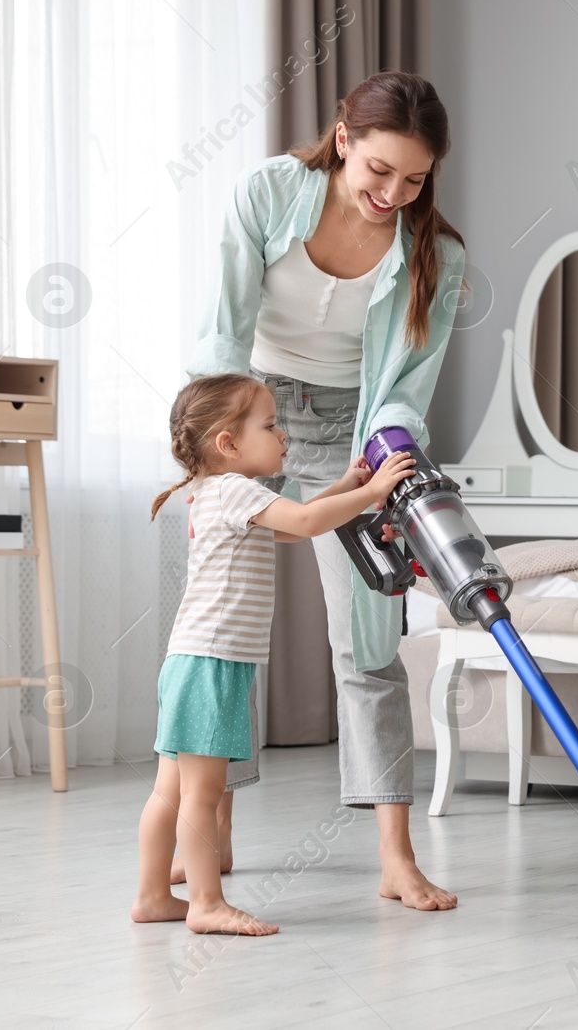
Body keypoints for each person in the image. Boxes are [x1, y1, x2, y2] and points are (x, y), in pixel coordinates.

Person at [182, 71, 465, 910]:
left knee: (370, 639)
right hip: (249, 410)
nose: (392, 194)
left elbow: (408, 386)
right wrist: (211, 460)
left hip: (359, 429)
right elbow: (221, 330)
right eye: (378, 170)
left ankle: (394, 853)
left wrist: (388, 469)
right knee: (221, 630)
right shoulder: (269, 193)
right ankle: (214, 823)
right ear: (344, 138)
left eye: (414, 179)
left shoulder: (436, 256)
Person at [133, 373, 415, 934]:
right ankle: (207, 905)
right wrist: (375, 489)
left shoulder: (219, 492)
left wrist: (344, 486)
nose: (284, 435)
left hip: (190, 661)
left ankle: (151, 895)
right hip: (213, 664)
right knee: (201, 792)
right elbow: (306, 522)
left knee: (170, 789)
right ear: (228, 444)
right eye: (269, 425)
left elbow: (295, 529)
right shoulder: (237, 490)